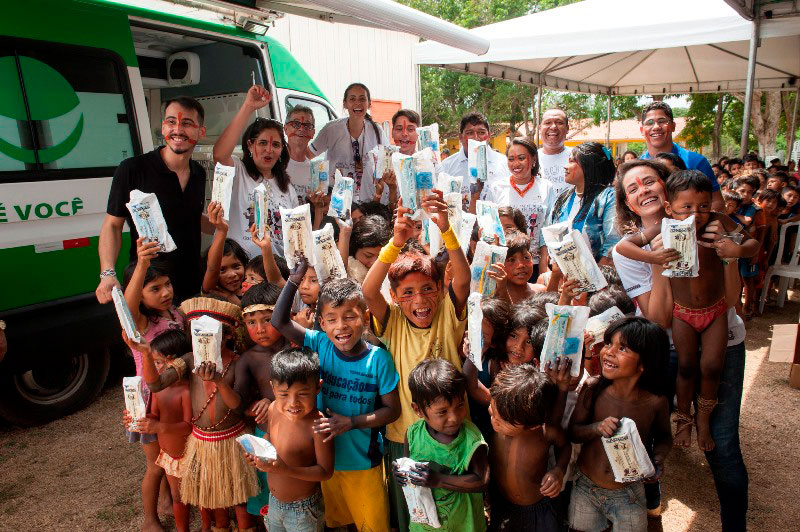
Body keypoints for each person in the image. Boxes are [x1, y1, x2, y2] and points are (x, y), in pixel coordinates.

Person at [612, 159, 751, 529]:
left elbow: (734, 298)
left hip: (724, 339)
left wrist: (728, 255)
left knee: (723, 445)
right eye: (632, 188)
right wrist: (660, 259)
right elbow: (658, 320)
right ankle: (651, 515)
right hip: (668, 349)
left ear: (667, 187)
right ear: (627, 203)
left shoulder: (713, 224)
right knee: (654, 434)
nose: (643, 191)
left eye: (649, 182)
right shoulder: (631, 249)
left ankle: (734, 525)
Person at [363, 190, 471, 531]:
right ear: (394, 297)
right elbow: (368, 291)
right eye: (407, 293)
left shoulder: (447, 312)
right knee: (411, 512)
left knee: (450, 507)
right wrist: (395, 243)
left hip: (450, 429)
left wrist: (446, 228)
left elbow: (464, 278)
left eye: (427, 289)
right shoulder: (392, 319)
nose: (419, 299)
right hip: (404, 434)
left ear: (439, 289)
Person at [272, 271, 400, 532]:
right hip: (325, 461)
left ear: (365, 319)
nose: (340, 326)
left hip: (363, 462)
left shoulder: (378, 360)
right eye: (331, 319)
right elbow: (279, 320)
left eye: (350, 317)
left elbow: (392, 410)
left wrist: (352, 422)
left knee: (372, 525)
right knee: (338, 523)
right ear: (321, 323)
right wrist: (294, 279)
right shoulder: (319, 343)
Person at [139, 297, 259, 531]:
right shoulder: (189, 360)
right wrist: (145, 353)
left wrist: (219, 381)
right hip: (203, 442)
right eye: (197, 333)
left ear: (228, 336)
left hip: (232, 439)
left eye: (211, 333)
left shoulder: (238, 362)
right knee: (214, 498)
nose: (203, 339)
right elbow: (155, 385)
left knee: (240, 498)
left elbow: (237, 405)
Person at [98, 96, 207, 303]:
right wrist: (107, 273)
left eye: (186, 123)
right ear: (163, 127)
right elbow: (112, 225)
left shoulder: (198, 173)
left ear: (201, 131)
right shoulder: (132, 169)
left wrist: (225, 226)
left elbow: (190, 217)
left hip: (191, 284)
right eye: (171, 122)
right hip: (150, 287)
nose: (177, 130)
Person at [567, 317, 672, 532]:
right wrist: (596, 428)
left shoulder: (655, 402)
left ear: (644, 363)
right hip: (586, 488)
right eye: (608, 343)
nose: (609, 352)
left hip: (629, 493)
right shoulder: (593, 388)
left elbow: (664, 437)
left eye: (622, 348)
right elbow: (573, 432)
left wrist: (658, 459)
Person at [121, 238, 185, 532]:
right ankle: (150, 519)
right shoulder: (139, 326)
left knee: (175, 452)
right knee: (155, 465)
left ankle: (174, 501)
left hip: (176, 398)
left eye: (167, 284)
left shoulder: (177, 314)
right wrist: (142, 263)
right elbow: (128, 304)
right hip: (149, 403)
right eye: (155, 288)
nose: (165, 292)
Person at [243, 347, 334, 532]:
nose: (293, 403)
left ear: (318, 387)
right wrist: (258, 452)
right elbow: (270, 436)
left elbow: (325, 472)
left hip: (303, 510)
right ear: (273, 388)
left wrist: (286, 470)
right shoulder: (274, 408)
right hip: (274, 502)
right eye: (284, 394)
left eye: (302, 394)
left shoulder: (318, 425)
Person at [395, 359, 489, 532]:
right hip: (424, 527)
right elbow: (410, 471)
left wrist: (439, 480)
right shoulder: (413, 435)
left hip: (464, 526)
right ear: (418, 410)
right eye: (442, 412)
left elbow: (482, 481)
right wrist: (402, 474)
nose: (454, 417)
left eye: (460, 405)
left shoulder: (471, 439)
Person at [213, 85, 299, 259]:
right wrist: (248, 107)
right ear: (250, 145)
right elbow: (220, 154)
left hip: (276, 272)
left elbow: (296, 234)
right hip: (239, 270)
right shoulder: (238, 171)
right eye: (262, 143)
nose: (269, 150)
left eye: (276, 145)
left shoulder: (287, 187)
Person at [124, 330, 193, 532]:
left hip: (188, 455)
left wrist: (159, 427)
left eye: (159, 363)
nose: (154, 369)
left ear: (175, 363)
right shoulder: (158, 390)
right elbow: (153, 414)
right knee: (177, 496)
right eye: (153, 363)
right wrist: (138, 419)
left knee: (195, 494)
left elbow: (188, 426)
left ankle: (208, 525)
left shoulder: (186, 391)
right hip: (169, 456)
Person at [488, 364, 570, 532]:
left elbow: (565, 446)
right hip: (502, 504)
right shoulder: (503, 407)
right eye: (491, 412)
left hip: (536, 511)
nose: (494, 420)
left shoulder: (544, 433)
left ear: (532, 426)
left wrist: (559, 470)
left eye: (502, 421)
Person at [235, 282, 287, 518]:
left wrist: (273, 402)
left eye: (267, 319)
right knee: (267, 489)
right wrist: (255, 408)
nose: (260, 329)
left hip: (295, 432)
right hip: (263, 432)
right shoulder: (248, 359)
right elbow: (239, 403)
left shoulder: (296, 347)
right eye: (251, 322)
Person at [543, 142, 620, 271]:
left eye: (572, 161)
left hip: (602, 278)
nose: (565, 167)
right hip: (567, 279)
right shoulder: (563, 199)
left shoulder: (608, 197)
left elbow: (613, 244)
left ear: (589, 166)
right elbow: (552, 237)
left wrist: (594, 283)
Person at [309, 83, 390, 203]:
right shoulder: (331, 129)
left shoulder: (377, 131)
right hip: (337, 202)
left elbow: (386, 165)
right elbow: (307, 155)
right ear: (345, 103)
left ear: (369, 104)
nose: (357, 103)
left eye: (362, 99)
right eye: (352, 99)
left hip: (367, 203)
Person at [484, 138, 556, 273]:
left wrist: (543, 265)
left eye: (521, 158)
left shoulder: (546, 187)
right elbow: (489, 227)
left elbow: (548, 229)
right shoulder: (497, 188)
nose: (516, 164)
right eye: (511, 159)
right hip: (505, 263)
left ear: (534, 159)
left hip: (535, 263)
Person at [638, 101, 723, 211]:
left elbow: (717, 202)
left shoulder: (696, 161)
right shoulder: (638, 167)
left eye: (662, 121)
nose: (656, 127)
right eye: (650, 122)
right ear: (642, 130)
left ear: (673, 126)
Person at [439, 112, 511, 208]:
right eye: (470, 133)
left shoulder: (504, 163)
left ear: (489, 136)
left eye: (481, 133)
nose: (476, 138)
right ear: (460, 137)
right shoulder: (447, 166)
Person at [201, 204, 249, 304]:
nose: (231, 274)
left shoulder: (252, 292)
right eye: (222, 270)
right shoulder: (214, 291)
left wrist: (237, 303)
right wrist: (222, 231)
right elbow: (212, 269)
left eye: (236, 266)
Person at [284, 104, 317, 203]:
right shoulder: (274, 163)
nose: (302, 129)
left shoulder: (315, 171)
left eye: (307, 126)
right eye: (296, 124)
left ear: (313, 133)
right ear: (285, 129)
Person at [537, 109, 572, 197]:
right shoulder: (530, 159)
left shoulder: (578, 157)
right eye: (548, 122)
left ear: (567, 128)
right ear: (540, 128)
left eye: (559, 122)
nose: (553, 127)